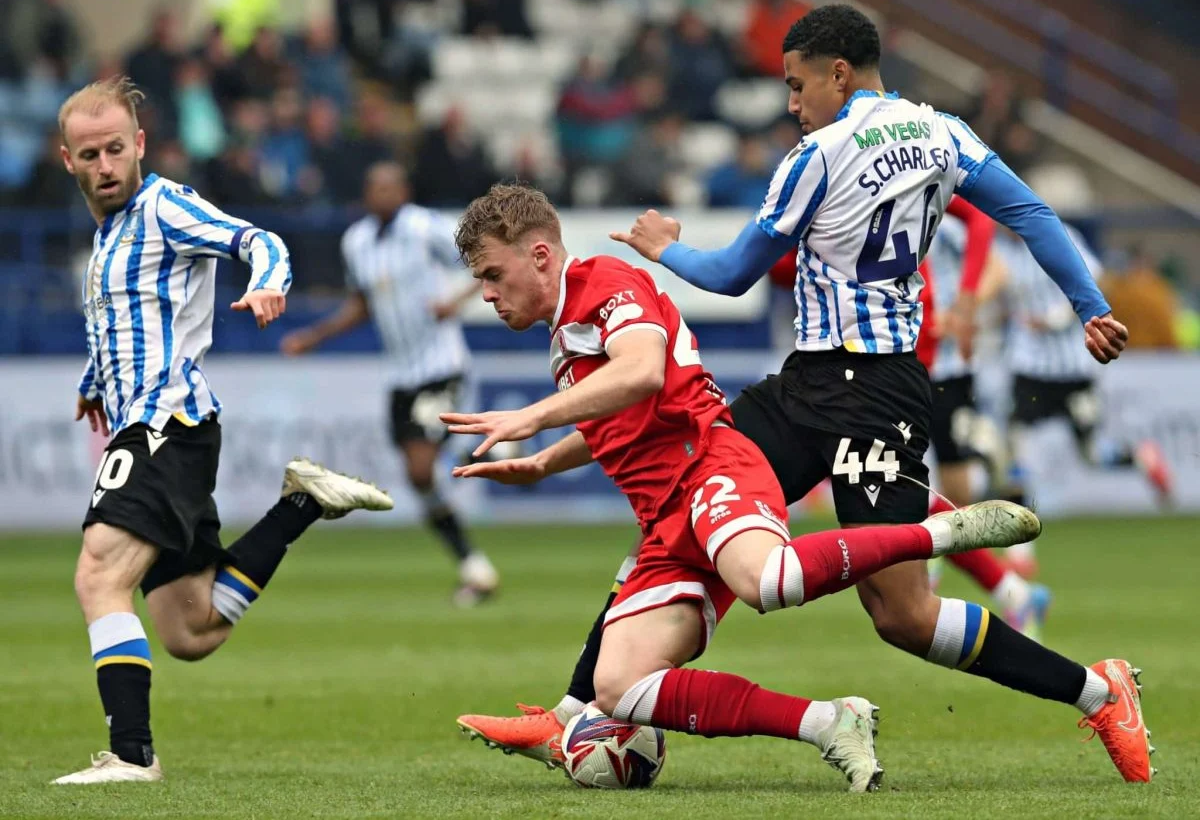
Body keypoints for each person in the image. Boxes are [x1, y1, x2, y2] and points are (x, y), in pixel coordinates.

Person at [456, 5, 1154, 785]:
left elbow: (729, 274)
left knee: (903, 617)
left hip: (872, 400)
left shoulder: (817, 154)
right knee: (683, 506)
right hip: (814, 385)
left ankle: (1097, 691)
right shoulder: (946, 133)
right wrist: (1090, 307)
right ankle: (572, 709)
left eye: (796, 85)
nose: (791, 104)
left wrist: (664, 248)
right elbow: (1030, 212)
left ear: (838, 74)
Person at [444, 183, 1038, 791]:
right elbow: (616, 415)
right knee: (617, 685)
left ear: (540, 255)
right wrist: (543, 462)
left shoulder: (602, 281)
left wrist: (535, 415)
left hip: (710, 467)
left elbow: (643, 369)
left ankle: (932, 533)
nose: (486, 293)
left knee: (766, 581)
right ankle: (830, 723)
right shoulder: (566, 326)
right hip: (667, 517)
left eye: (493, 274)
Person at [55, 77, 393, 784]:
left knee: (98, 573)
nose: (106, 165)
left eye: (117, 148)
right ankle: (301, 504)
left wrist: (270, 278)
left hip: (164, 422)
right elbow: (124, 323)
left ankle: (131, 755)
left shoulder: (161, 206)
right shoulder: (107, 237)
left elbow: (254, 238)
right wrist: (94, 383)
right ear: (69, 160)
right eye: (91, 154)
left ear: (139, 144)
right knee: (190, 630)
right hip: (157, 424)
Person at [280, 162, 499, 605]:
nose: (382, 194)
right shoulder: (356, 241)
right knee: (418, 479)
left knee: (422, 466)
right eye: (375, 187)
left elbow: (486, 259)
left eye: (390, 186)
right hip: (400, 375)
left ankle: (495, 446)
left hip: (441, 364)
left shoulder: (424, 227)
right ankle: (473, 564)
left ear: (403, 190)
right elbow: (362, 305)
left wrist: (455, 301)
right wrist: (314, 337)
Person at [991, 226, 1174, 571]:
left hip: (1072, 370)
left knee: (1092, 453)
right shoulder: (999, 249)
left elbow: (1097, 278)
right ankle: (1020, 552)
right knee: (1016, 451)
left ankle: (1143, 458)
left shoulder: (1056, 233)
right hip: (1028, 368)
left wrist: (1057, 318)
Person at [921, 209, 1052, 640]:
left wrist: (961, 305)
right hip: (903, 363)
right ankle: (1009, 590)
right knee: (938, 495)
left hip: (945, 370)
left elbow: (997, 269)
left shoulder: (947, 219)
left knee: (948, 495)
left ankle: (951, 568)